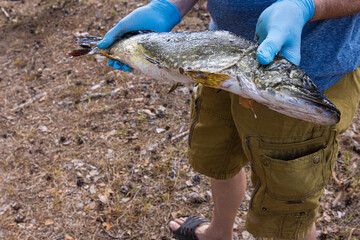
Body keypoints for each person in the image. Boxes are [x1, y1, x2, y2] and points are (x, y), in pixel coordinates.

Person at [97, 0, 360, 239]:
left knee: (288, 206)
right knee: (220, 159)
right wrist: (170, 6)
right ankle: (219, 232)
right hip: (216, 60)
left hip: (314, 74)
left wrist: (306, 6)